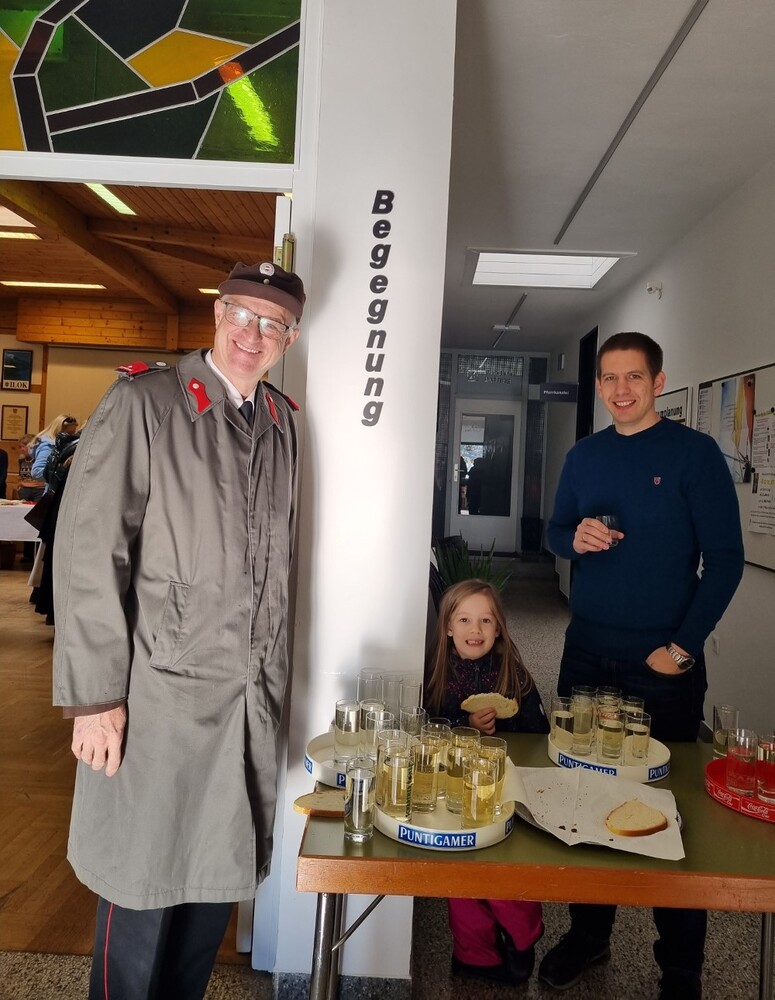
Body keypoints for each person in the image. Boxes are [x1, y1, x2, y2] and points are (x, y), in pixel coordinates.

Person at [52, 260, 305, 1000]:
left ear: (289, 338)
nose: (252, 334)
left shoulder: (281, 422)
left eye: (271, 324)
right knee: (141, 886)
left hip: (243, 704)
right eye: (241, 314)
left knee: (210, 888)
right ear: (217, 313)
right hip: (156, 700)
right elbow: (91, 551)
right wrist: (96, 699)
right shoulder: (147, 402)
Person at [541, 332, 744, 1000]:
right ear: (598, 385)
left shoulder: (693, 454)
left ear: (658, 382)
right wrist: (573, 537)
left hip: (662, 665)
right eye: (609, 378)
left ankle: (680, 970)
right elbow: (554, 530)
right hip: (586, 652)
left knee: (669, 812)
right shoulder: (584, 455)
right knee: (583, 799)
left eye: (633, 377)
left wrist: (682, 648)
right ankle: (588, 936)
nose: (620, 390)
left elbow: (726, 560)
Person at [425, 578, 549, 986]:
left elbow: (539, 732)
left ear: (498, 628)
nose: (474, 630)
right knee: (462, 873)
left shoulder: (513, 675)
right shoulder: (437, 674)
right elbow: (429, 729)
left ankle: (522, 937)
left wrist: (506, 728)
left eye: (485, 620)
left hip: (504, 790)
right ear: (448, 627)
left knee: (506, 870)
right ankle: (474, 954)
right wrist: (465, 724)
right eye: (464, 620)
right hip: (455, 794)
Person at [29, 414, 78, 485]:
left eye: (73, 433)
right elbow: (37, 472)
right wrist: (61, 471)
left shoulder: (59, 445)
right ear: (59, 431)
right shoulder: (49, 447)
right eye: (69, 433)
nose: (72, 436)